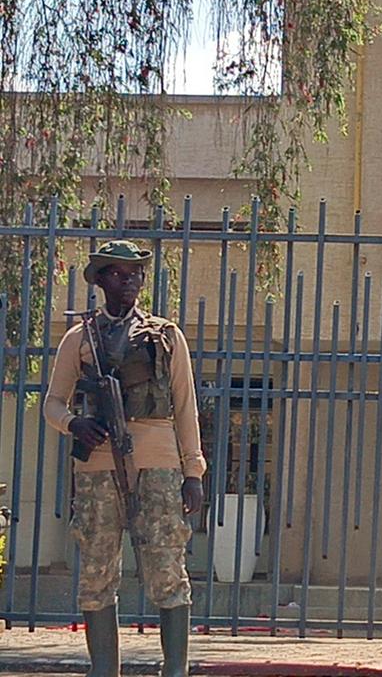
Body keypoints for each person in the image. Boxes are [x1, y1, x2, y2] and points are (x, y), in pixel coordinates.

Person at [43, 240, 207, 677]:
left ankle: (175, 670)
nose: (129, 280)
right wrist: (74, 424)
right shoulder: (80, 338)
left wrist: (193, 471)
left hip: (158, 465)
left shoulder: (165, 336)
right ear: (99, 280)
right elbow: (52, 403)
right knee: (97, 572)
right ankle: (104, 671)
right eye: (117, 273)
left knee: (167, 568)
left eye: (135, 273)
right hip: (97, 468)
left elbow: (185, 405)